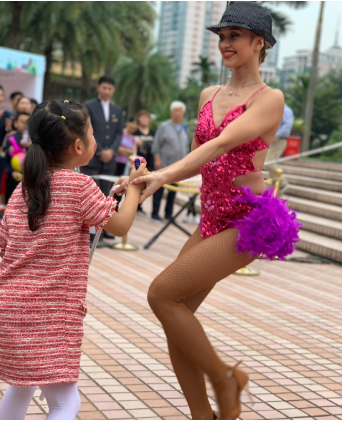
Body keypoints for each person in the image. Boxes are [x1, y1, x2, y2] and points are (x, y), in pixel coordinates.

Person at [114, 2, 300, 419]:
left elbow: (220, 144)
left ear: (259, 43)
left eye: (235, 36)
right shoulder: (208, 95)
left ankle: (225, 379)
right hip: (211, 218)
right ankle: (203, 415)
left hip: (248, 220)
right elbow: (198, 156)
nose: (225, 43)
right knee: (176, 319)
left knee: (161, 294)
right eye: (222, 36)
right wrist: (151, 178)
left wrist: (162, 175)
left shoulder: (270, 99)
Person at [0, 100, 147, 421]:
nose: (95, 139)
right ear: (79, 146)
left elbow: (4, 247)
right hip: (45, 315)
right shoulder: (80, 185)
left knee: (21, 387)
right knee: (65, 404)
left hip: (0, 311)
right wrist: (136, 186)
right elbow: (121, 225)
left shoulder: (23, 188)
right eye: (92, 133)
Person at [82, 76, 124, 240]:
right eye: (104, 88)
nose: (107, 91)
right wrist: (100, 150)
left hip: (109, 161)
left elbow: (119, 133)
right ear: (98, 88)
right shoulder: (89, 106)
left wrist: (112, 151)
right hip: (92, 157)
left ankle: (105, 229)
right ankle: (90, 231)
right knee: (91, 195)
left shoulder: (117, 110)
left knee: (108, 194)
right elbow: (87, 129)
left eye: (110, 88)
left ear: (113, 91)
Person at [150, 101, 189, 223]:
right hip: (164, 165)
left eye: (180, 111)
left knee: (173, 191)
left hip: (178, 167)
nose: (178, 113)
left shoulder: (184, 129)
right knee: (159, 189)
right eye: (176, 111)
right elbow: (156, 145)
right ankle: (155, 213)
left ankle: (168, 214)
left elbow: (186, 147)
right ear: (171, 112)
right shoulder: (164, 126)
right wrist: (157, 159)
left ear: (183, 114)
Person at [1, 111, 31, 203]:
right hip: (12, 172)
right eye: (22, 122)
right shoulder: (10, 136)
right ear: (15, 123)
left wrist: (29, 147)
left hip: (28, 173)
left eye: (27, 122)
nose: (25, 125)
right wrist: (8, 151)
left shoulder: (33, 138)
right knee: (11, 197)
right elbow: (1, 154)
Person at [265, 103, 293, 189]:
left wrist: (275, 136)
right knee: (269, 163)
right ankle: (277, 189)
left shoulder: (285, 110)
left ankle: (283, 183)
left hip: (279, 140)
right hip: (273, 139)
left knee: (269, 162)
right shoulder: (275, 109)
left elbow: (287, 127)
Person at [134, 109, 155, 216]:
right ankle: (133, 205)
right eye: (142, 117)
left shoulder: (153, 132)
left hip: (150, 161)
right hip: (137, 161)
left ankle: (140, 205)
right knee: (136, 182)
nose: (145, 119)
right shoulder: (135, 132)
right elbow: (136, 143)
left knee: (145, 184)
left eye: (146, 117)